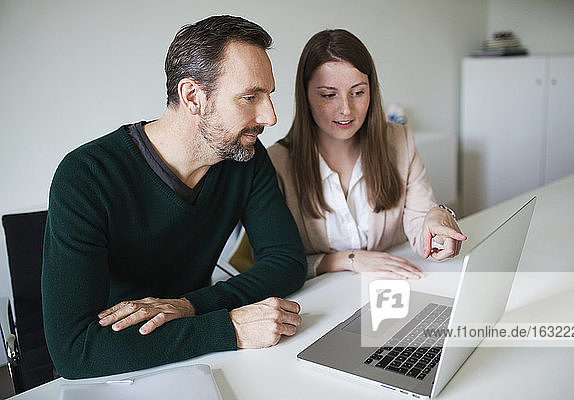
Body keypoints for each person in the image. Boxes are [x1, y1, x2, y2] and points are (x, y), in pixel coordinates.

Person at [41, 15, 307, 380]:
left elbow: (287, 261)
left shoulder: (245, 156)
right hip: (114, 369)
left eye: (269, 96)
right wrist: (228, 328)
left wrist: (190, 306)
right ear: (193, 97)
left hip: (202, 360)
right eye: (250, 97)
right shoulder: (87, 176)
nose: (270, 117)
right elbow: (74, 351)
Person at [267, 29, 466, 280]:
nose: (346, 109)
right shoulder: (276, 162)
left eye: (358, 92)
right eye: (329, 95)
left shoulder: (399, 141)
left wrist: (436, 223)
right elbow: (272, 265)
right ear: (305, 95)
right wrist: (347, 260)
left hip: (389, 288)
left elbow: (420, 221)